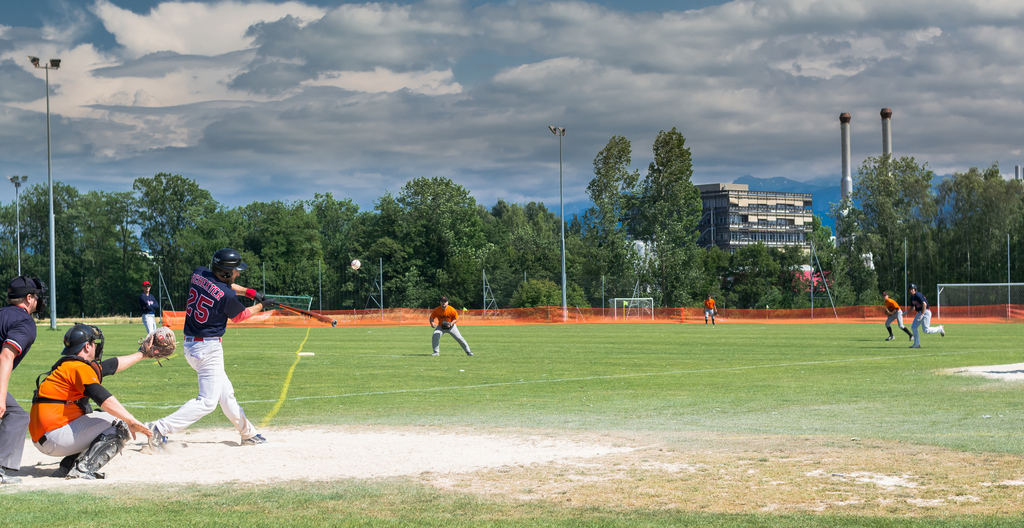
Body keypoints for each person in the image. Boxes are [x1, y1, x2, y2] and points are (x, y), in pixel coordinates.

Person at [145, 248, 274, 450]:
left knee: (226, 394)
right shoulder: (227, 295)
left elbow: (223, 286)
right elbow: (239, 316)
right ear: (225, 272)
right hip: (208, 349)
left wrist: (251, 293)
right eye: (235, 271)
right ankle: (159, 428)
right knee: (207, 402)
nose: (238, 273)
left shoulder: (199, 273)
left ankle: (248, 433)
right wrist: (261, 305)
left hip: (192, 345)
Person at [29, 324, 153, 479]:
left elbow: (110, 366)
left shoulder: (70, 365)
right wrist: (131, 420)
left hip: (45, 436)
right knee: (119, 424)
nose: (96, 346)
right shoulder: (79, 368)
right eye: (94, 343)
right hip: (54, 436)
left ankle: (68, 466)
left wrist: (142, 354)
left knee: (98, 416)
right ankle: (83, 469)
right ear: (87, 346)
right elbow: (101, 396)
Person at [0, 276, 45, 484]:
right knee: (17, 416)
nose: (38, 300)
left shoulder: (2, 313)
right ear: (28, 298)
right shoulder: (25, 322)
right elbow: (6, 356)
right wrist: (1, 396)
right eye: (35, 296)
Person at [908, 283, 945, 349]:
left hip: (925, 312)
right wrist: (906, 312)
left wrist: (922, 314)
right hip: (919, 313)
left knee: (926, 330)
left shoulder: (917, 295)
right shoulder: (912, 297)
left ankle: (940, 328)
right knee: (913, 327)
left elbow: (924, 304)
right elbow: (912, 307)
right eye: (910, 289)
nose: (911, 290)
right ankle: (916, 344)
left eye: (912, 289)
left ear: (915, 289)